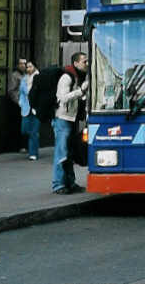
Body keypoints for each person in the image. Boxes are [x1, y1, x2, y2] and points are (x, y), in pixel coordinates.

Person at [51, 52, 88, 194]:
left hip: (72, 118)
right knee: (61, 152)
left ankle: (70, 183)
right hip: (62, 118)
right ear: (76, 63)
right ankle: (58, 185)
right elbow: (63, 98)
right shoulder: (67, 77)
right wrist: (81, 91)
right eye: (84, 61)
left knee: (69, 152)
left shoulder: (80, 76)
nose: (87, 64)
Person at [20, 61, 41, 160]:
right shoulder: (24, 78)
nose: (28, 69)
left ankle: (33, 153)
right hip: (26, 108)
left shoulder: (39, 77)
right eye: (27, 67)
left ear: (35, 67)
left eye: (30, 66)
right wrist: (21, 102)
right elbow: (21, 92)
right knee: (24, 129)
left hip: (36, 108)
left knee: (34, 131)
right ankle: (33, 145)